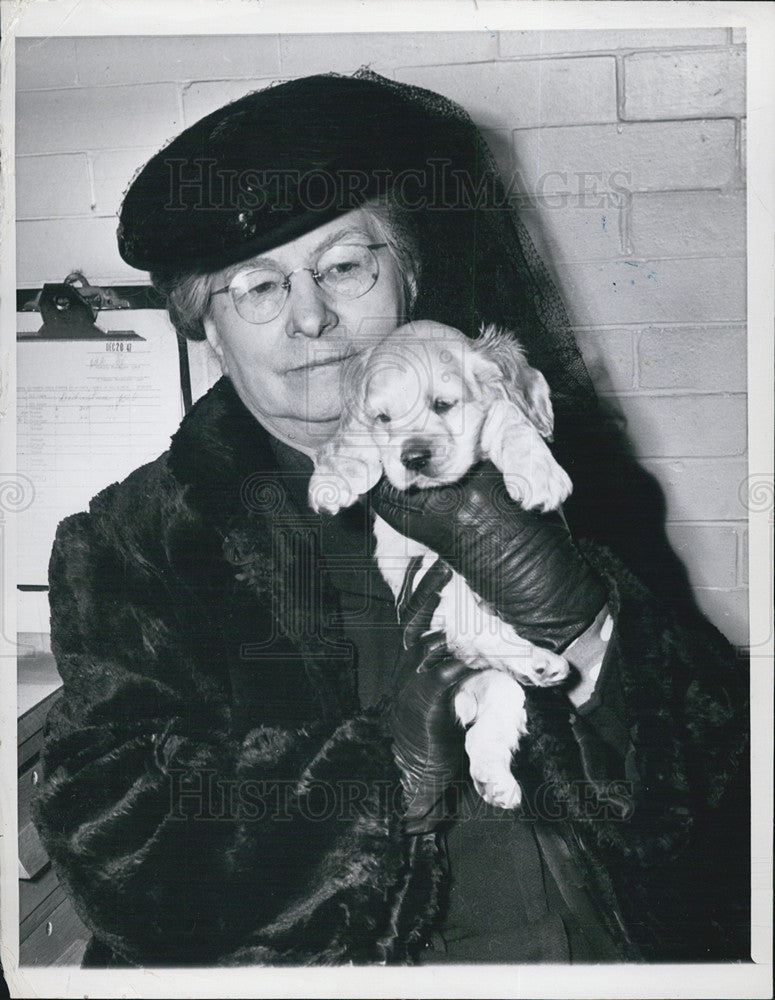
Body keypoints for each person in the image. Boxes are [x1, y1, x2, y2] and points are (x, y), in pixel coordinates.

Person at [33, 70, 750, 967]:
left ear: (405, 273)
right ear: (205, 329)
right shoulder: (132, 542)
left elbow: (730, 779)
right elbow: (122, 856)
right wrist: (383, 775)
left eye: (343, 266)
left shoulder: (558, 468)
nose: (311, 318)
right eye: (256, 288)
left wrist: (587, 628)